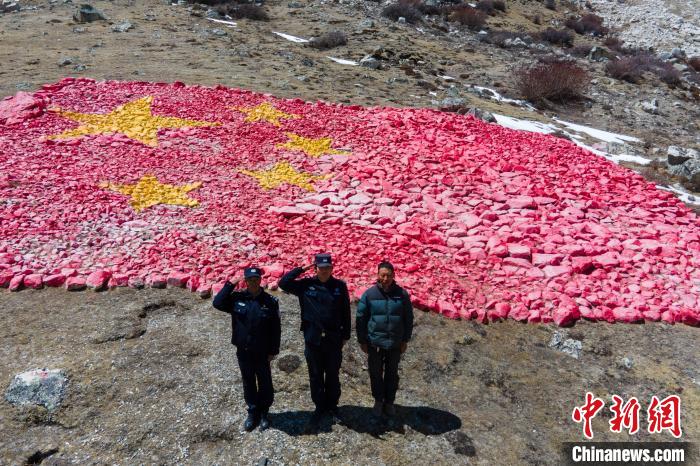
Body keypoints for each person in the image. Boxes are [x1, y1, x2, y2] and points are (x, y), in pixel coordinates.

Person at [278, 253, 351, 429]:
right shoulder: (305, 285)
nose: (324, 270)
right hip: (313, 339)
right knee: (316, 375)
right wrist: (302, 268)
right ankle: (319, 407)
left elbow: (346, 313)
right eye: (320, 267)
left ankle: (332, 407)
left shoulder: (339, 286)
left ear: (332, 268)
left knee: (332, 375)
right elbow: (283, 283)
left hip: (333, 340)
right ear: (315, 268)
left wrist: (346, 336)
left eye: (327, 267)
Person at [212, 267, 281, 432]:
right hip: (243, 350)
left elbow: (276, 329)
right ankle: (252, 412)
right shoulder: (237, 298)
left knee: (265, 383)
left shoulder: (270, 301)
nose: (253, 282)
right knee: (248, 382)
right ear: (246, 281)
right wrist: (230, 284)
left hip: (262, 351)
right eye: (250, 279)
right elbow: (217, 303)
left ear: (260, 279)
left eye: (256, 279)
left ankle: (264, 413)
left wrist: (274, 350)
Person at [356, 261, 414, 417]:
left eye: (389, 275)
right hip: (374, 343)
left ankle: (389, 402)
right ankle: (378, 401)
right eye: (383, 275)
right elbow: (361, 318)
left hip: (394, 343)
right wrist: (362, 340)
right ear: (377, 275)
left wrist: (405, 340)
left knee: (392, 374)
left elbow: (408, 318)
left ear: (393, 276)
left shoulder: (402, 295)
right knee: (375, 374)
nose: (386, 278)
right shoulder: (369, 294)